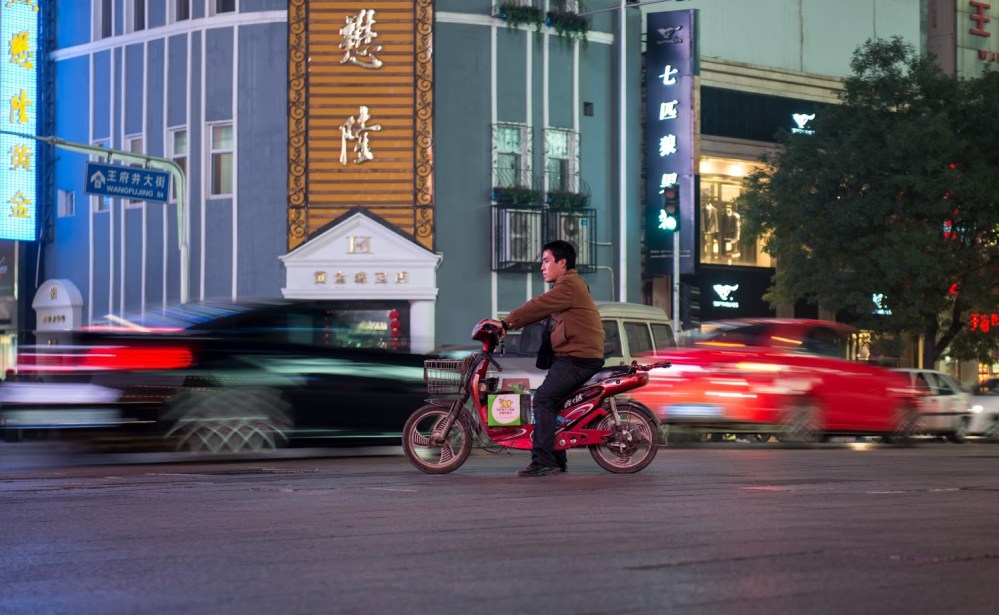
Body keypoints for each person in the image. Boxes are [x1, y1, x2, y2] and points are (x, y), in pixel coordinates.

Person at [485, 240, 605, 477]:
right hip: (574, 356)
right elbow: (538, 312)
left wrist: (506, 322)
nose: (542, 266)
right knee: (553, 403)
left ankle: (543, 460)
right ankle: (557, 459)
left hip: (578, 358)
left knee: (542, 401)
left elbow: (536, 306)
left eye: (546, 260)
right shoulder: (568, 285)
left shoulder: (568, 285)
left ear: (562, 262)